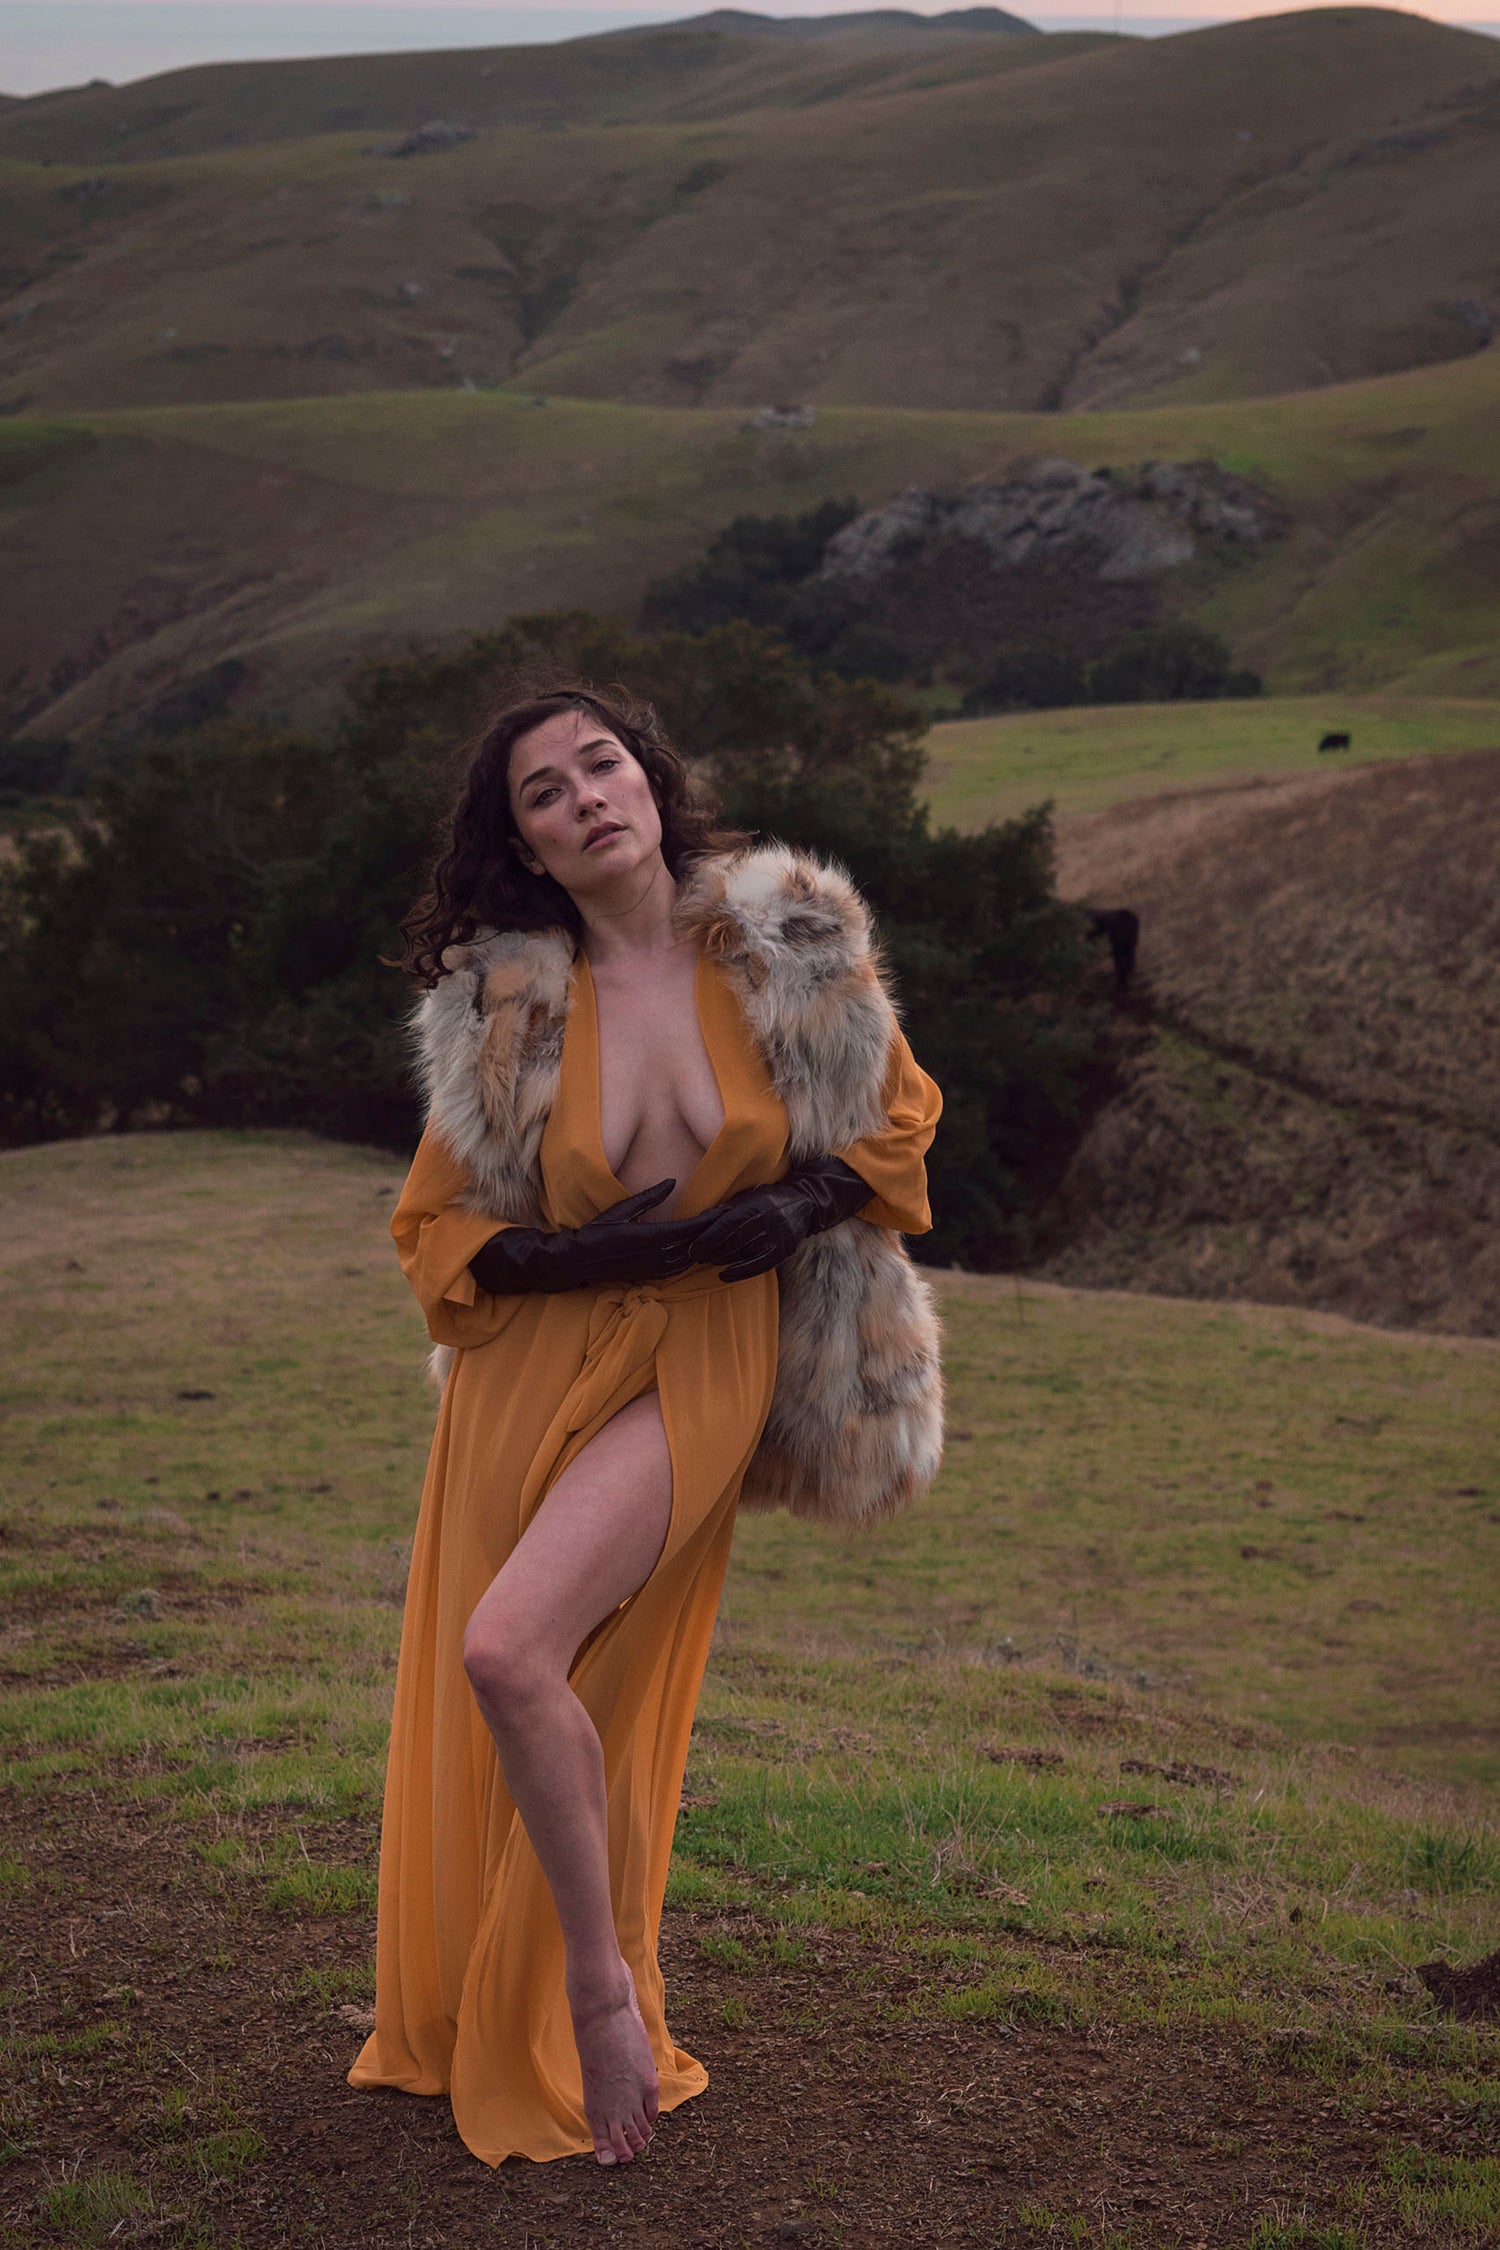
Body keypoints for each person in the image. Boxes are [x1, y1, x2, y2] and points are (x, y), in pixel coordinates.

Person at [348, 683, 942, 2168]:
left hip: (706, 1359)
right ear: (530, 850)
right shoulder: (509, 1006)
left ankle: (601, 1998)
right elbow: (432, 1228)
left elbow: (902, 1110)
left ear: (653, 780)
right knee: (517, 1677)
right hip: (528, 1375)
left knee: (510, 1648)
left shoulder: (787, 944)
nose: (584, 798)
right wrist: (571, 1253)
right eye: (544, 793)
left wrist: (806, 1196)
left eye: (600, 763)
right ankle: (481, 2002)